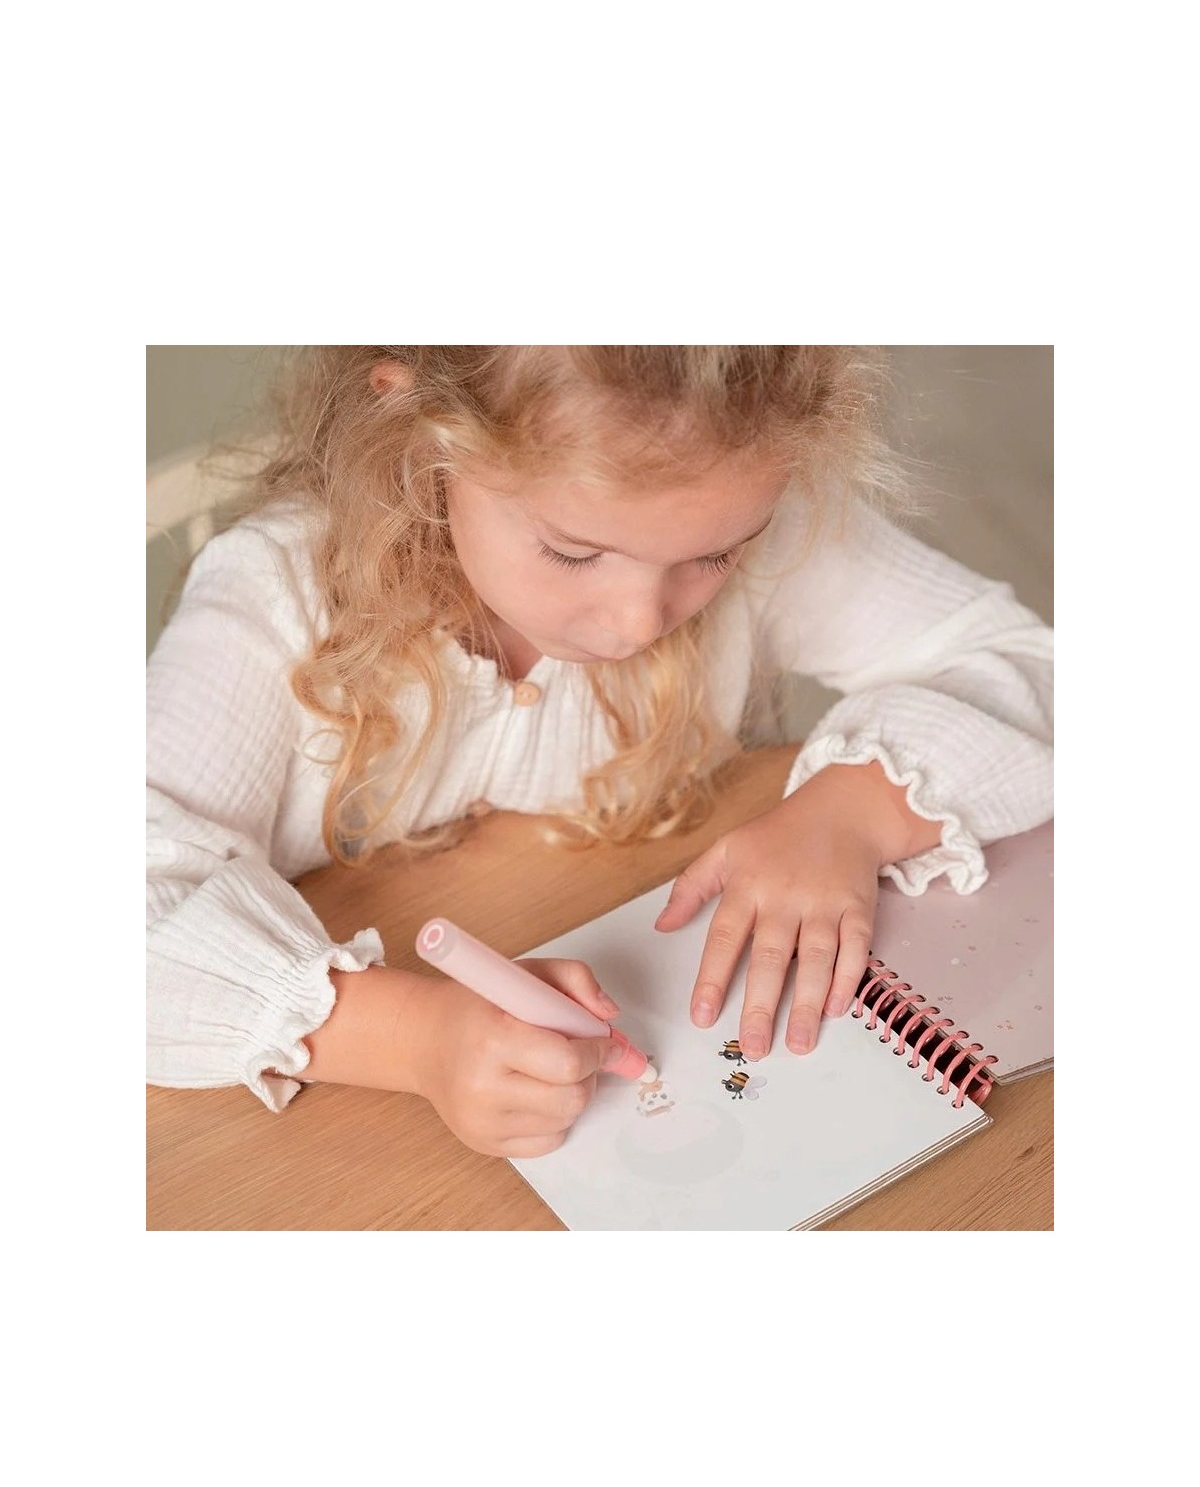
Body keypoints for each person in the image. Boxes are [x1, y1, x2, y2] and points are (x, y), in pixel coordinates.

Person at [147, 345, 1052, 1159]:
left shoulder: (745, 491)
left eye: (717, 557)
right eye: (575, 553)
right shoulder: (279, 597)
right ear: (423, 431)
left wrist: (850, 813)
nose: (638, 622)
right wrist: (415, 1038)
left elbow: (1034, 667)